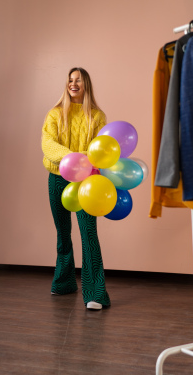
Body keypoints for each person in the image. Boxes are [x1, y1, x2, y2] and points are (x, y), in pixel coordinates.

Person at [41, 67, 110, 310]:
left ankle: (96, 294)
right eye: (70, 80)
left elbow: (99, 149)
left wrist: (81, 163)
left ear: (86, 85)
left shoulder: (98, 116)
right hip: (58, 177)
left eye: (78, 81)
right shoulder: (55, 114)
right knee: (63, 233)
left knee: (88, 234)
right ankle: (64, 282)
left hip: (87, 181)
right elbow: (48, 144)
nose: (73, 84)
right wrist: (72, 158)